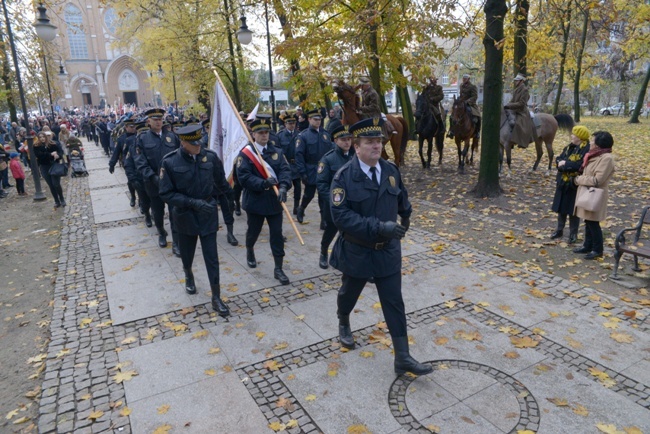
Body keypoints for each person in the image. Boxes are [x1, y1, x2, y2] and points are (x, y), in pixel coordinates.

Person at [329, 117, 432, 376]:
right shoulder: (344, 178)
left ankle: (403, 357)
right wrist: (379, 227)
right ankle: (343, 319)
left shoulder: (390, 170)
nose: (376, 146)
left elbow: (401, 198)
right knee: (349, 293)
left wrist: (406, 216)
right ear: (356, 146)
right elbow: (341, 217)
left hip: (387, 250)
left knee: (394, 301)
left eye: (379, 141)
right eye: (370, 142)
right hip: (357, 251)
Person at [159, 124, 230, 316]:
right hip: (185, 215)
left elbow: (221, 183)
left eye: (200, 142)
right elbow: (166, 193)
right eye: (193, 144)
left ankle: (216, 296)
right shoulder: (170, 162)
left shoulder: (210, 157)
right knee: (187, 253)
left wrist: (230, 199)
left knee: (212, 257)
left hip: (207, 213)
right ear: (183, 142)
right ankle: (188, 273)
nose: (198, 147)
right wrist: (192, 203)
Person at [236, 117, 292, 285]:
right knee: (254, 231)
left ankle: (278, 268)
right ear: (253, 134)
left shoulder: (277, 152)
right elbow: (243, 177)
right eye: (260, 132)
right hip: (256, 201)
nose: (264, 135)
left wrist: (283, 187)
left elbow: (285, 171)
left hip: (275, 201)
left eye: (266, 132)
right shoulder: (246, 153)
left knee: (277, 235)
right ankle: (250, 249)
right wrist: (262, 183)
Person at [134, 108, 181, 253]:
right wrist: (153, 177)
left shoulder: (172, 137)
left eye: (160, 119)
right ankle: (161, 232)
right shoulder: (142, 138)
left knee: (175, 213)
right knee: (158, 212)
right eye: (155, 120)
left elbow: (180, 156)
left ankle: (176, 242)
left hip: (172, 183)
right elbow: (140, 162)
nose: (158, 122)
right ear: (148, 121)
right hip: (153, 184)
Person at [316, 124, 355, 269]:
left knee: (352, 234)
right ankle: (324, 251)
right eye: (343, 139)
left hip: (352, 204)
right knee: (331, 230)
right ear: (335, 140)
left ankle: (352, 260)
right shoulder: (328, 159)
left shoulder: (354, 157)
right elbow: (321, 184)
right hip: (334, 205)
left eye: (349, 139)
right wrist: (334, 201)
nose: (347, 142)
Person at [572, 131, 615, 260]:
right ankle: (587, 245)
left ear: (598, 145)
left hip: (595, 194)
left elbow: (597, 180)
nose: (590, 142)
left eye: (593, 141)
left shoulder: (606, 158)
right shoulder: (594, 155)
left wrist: (577, 180)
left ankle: (597, 249)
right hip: (587, 192)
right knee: (587, 220)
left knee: (593, 223)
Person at [550, 125, 591, 244]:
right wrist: (561, 163)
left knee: (573, 210)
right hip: (563, 182)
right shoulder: (569, 147)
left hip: (574, 183)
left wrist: (565, 164)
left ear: (580, 137)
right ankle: (559, 230)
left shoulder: (586, 149)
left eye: (574, 134)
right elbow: (559, 158)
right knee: (561, 208)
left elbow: (579, 165)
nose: (571, 136)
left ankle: (573, 234)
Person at [294, 109, 333, 226]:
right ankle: (301, 208)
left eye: (319, 119)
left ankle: (323, 220)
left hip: (324, 169)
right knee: (309, 194)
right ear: (309, 119)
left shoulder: (326, 134)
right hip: (310, 168)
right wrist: (302, 172)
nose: (318, 122)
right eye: (315, 119)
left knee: (323, 195)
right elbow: (299, 155)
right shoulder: (303, 136)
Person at [125, 122, 152, 227]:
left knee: (155, 202)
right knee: (144, 200)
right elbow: (128, 165)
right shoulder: (133, 147)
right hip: (140, 179)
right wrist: (133, 180)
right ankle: (147, 215)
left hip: (152, 178)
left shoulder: (153, 145)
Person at [109, 120, 138, 207]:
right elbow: (116, 152)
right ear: (126, 127)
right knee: (131, 181)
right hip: (128, 163)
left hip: (139, 162)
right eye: (131, 127)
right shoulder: (121, 138)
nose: (133, 129)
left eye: (134, 127)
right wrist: (112, 164)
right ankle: (133, 196)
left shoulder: (139, 136)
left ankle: (142, 200)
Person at [276, 115, 301, 215]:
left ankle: (296, 206)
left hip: (296, 164)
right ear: (285, 124)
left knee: (298, 186)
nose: (292, 125)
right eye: (290, 123)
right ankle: (281, 203)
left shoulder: (299, 135)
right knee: (284, 185)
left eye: (293, 123)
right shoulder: (280, 135)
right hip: (285, 164)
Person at [34, 132, 66, 207]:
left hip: (54, 165)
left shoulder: (53, 144)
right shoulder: (36, 146)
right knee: (51, 185)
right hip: (44, 166)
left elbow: (60, 152)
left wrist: (58, 155)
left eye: (43, 137)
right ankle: (56, 200)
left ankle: (62, 198)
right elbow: (39, 155)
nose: (42, 138)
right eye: (40, 137)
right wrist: (50, 154)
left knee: (56, 184)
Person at [504, 73, 535, 148]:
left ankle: (520, 142)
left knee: (518, 123)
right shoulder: (516, 90)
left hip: (521, 111)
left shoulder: (525, 90)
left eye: (517, 80)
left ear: (521, 81)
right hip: (514, 109)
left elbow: (522, 103)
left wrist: (509, 105)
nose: (515, 82)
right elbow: (512, 100)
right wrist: (507, 105)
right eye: (515, 80)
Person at [449, 74, 481, 139]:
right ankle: (451, 131)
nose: (464, 80)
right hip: (461, 103)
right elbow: (461, 95)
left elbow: (475, 96)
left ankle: (477, 132)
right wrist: (458, 100)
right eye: (463, 78)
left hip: (470, 104)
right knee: (452, 116)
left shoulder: (473, 86)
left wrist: (467, 101)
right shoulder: (461, 86)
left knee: (478, 116)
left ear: (468, 79)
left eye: (465, 78)